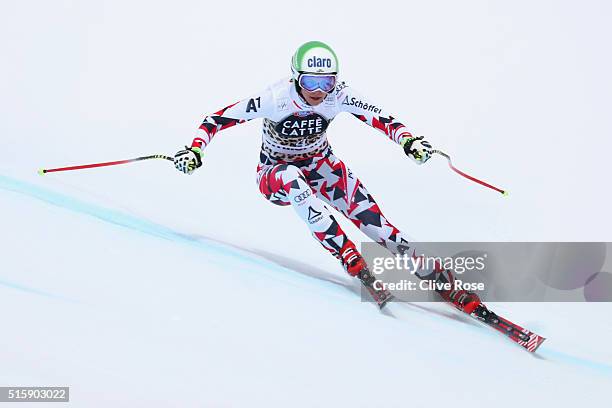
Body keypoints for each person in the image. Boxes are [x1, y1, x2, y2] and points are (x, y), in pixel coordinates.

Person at [174, 41, 480, 312]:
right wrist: (195, 150)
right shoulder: (274, 98)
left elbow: (381, 119)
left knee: (381, 229)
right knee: (294, 178)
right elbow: (215, 120)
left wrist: (408, 140)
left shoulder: (339, 95)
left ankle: (442, 279)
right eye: (311, 82)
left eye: (327, 82)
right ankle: (350, 257)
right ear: (296, 78)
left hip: (323, 167)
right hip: (274, 173)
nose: (319, 92)